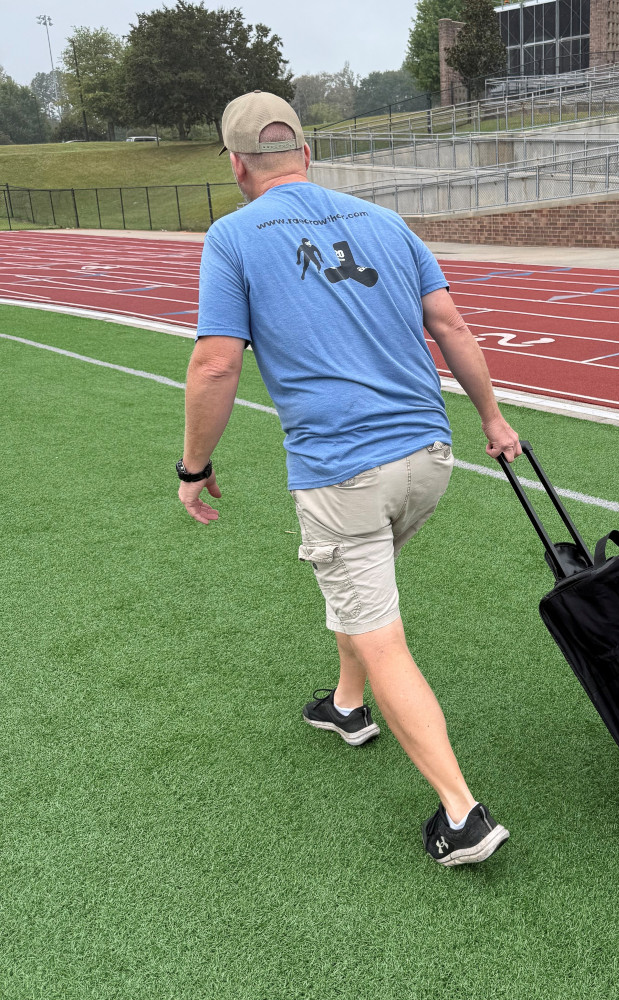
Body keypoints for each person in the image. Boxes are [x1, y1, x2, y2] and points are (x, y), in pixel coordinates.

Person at [176, 90, 521, 866]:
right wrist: (493, 419)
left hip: (343, 469)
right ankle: (346, 705)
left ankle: (462, 815)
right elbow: (452, 326)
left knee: (380, 627)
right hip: (430, 459)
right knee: (363, 584)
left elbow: (216, 363)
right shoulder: (388, 223)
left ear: (236, 164)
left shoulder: (232, 236)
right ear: (307, 152)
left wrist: (193, 466)